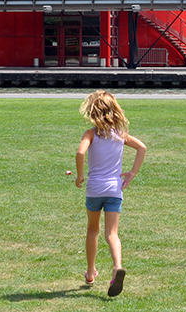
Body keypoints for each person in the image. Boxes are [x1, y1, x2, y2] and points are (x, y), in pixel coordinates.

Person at [75, 91, 147, 298]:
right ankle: (117, 267)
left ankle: (90, 273)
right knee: (112, 234)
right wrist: (132, 173)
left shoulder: (91, 134)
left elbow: (80, 152)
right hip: (115, 190)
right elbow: (142, 147)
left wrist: (80, 175)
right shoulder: (119, 135)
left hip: (95, 189)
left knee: (92, 230)